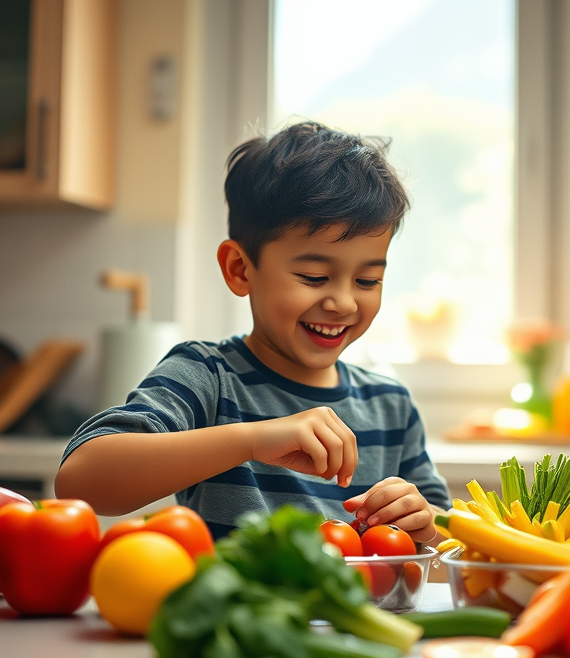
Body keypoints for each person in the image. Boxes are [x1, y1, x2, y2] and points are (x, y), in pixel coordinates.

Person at [55, 121, 451, 542]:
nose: (345, 303)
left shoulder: (391, 406)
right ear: (240, 269)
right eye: (314, 277)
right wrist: (252, 440)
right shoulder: (207, 376)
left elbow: (452, 540)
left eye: (367, 281)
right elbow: (80, 479)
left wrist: (426, 522)